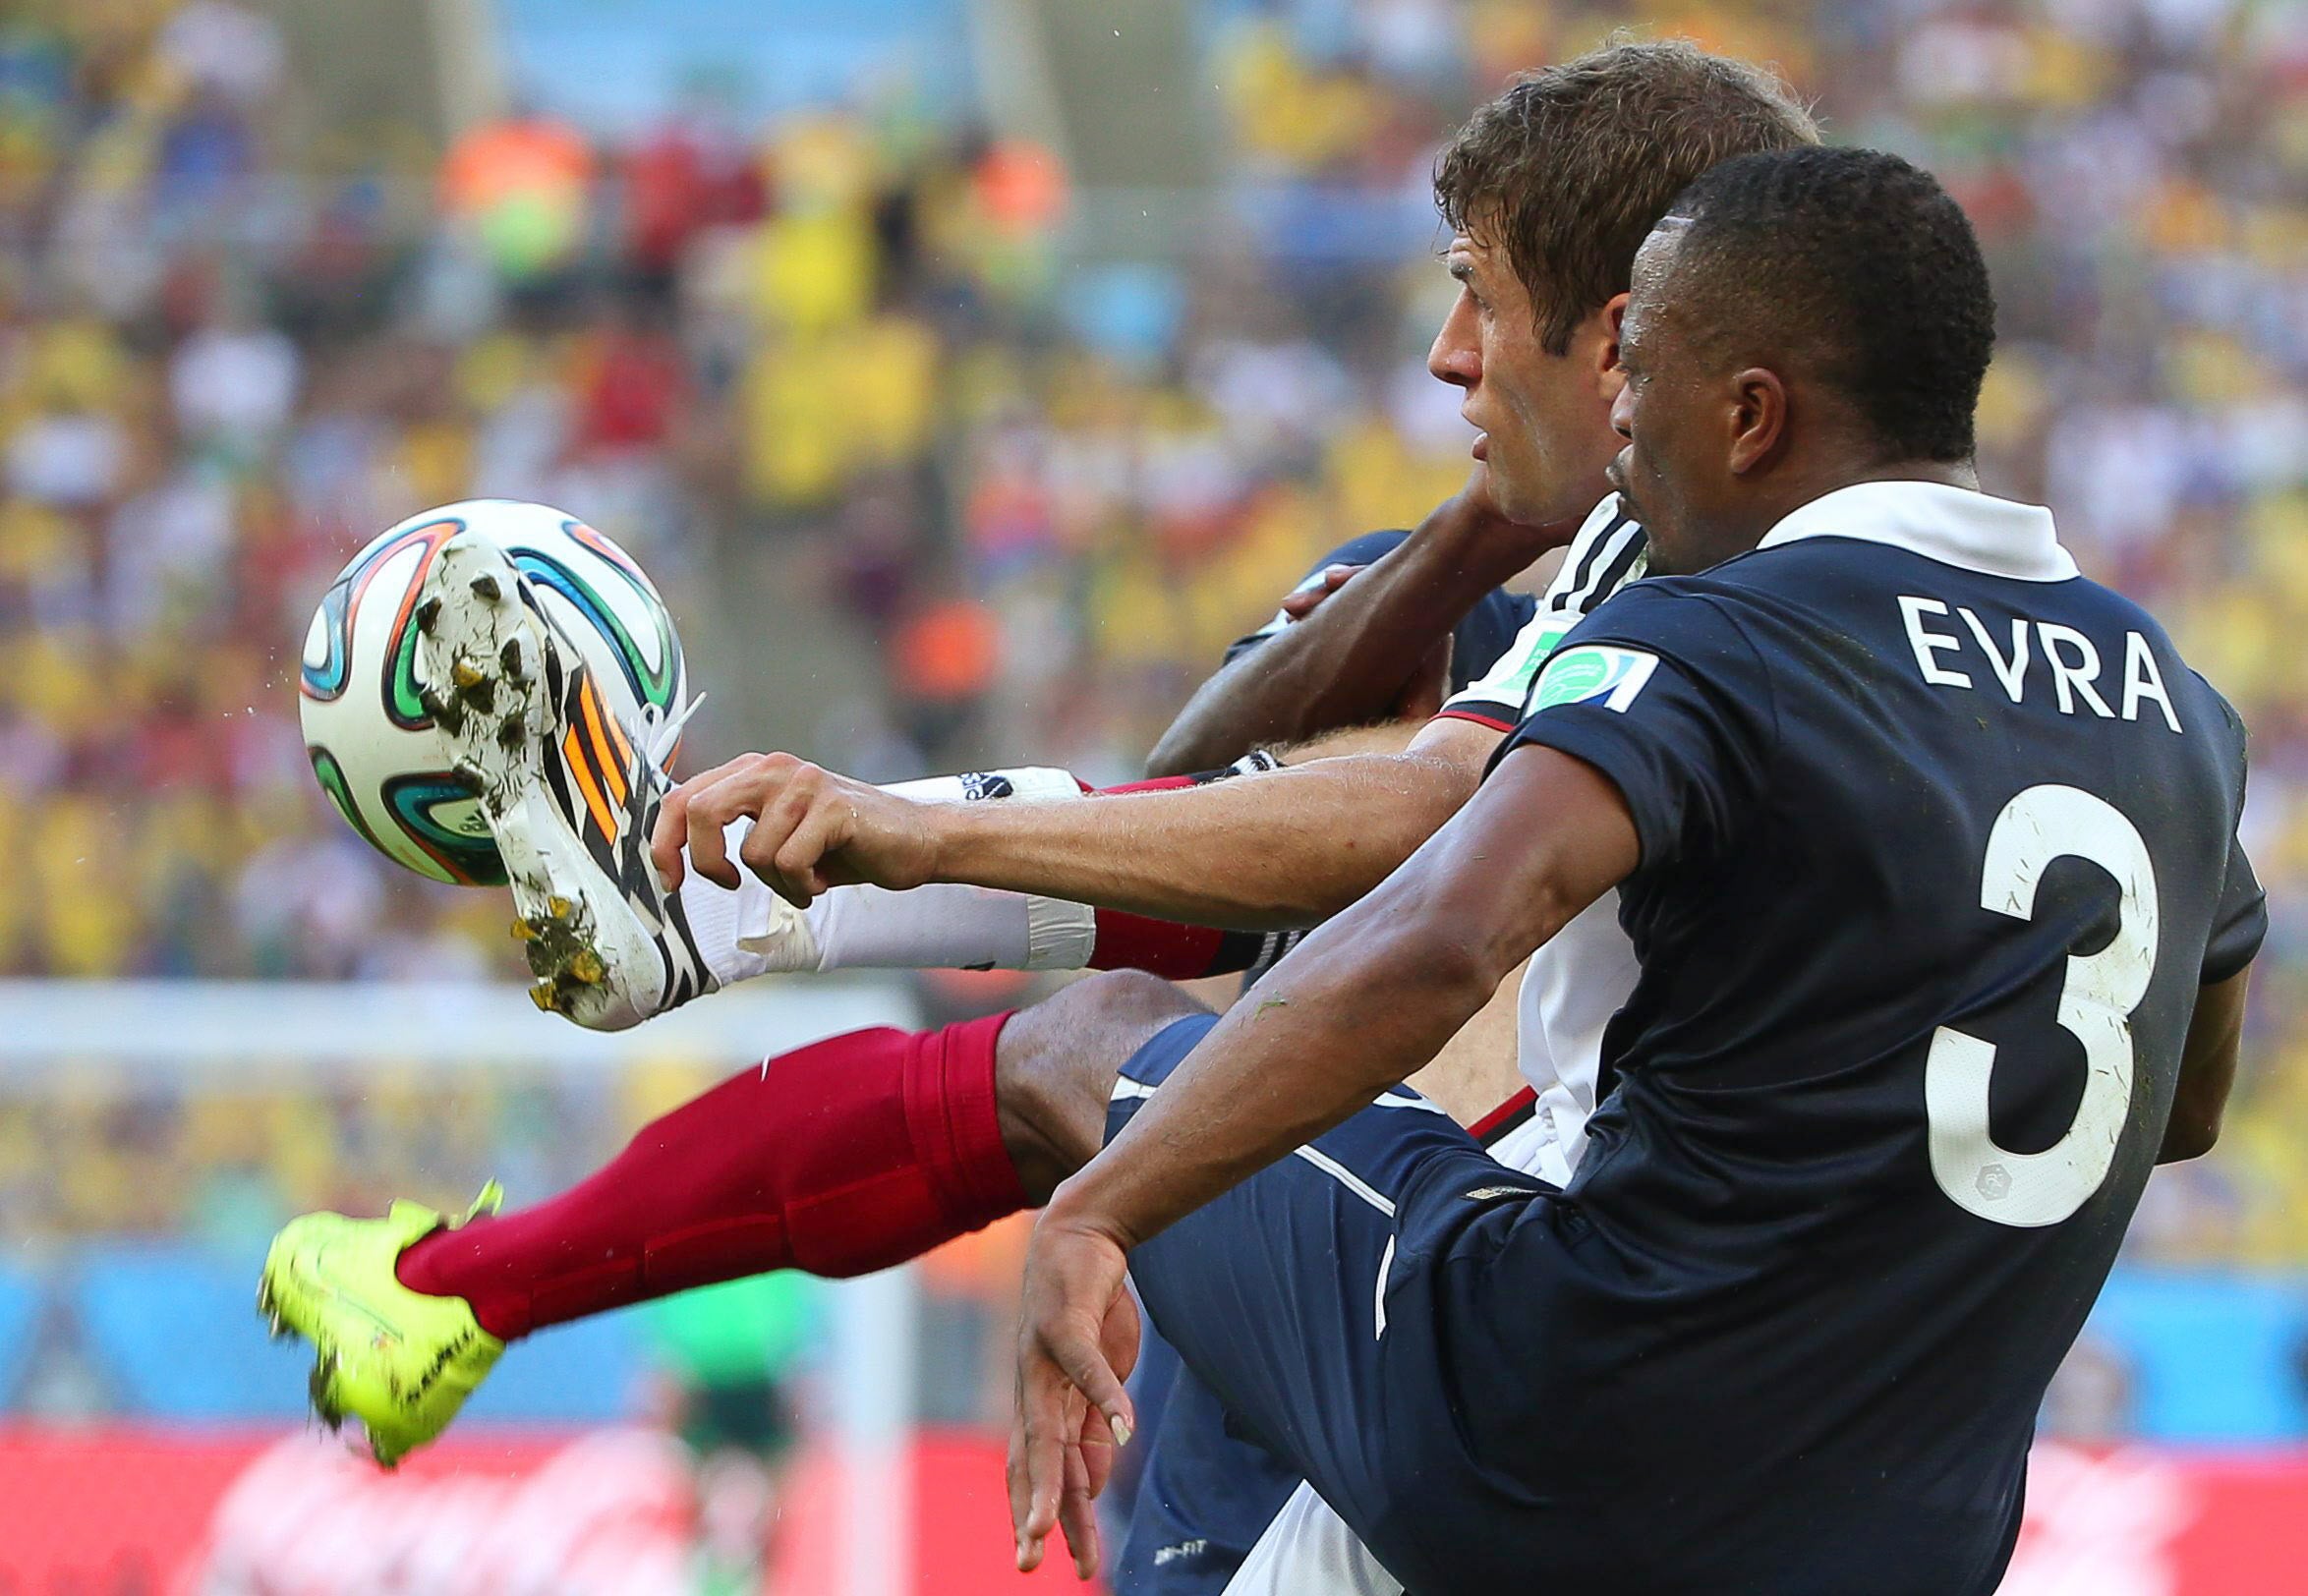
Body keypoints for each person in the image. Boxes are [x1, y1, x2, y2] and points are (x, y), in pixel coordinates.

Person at [256, 39, 1818, 1587]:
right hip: (1629, 1370)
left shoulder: (1685, 614)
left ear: (1628, 342)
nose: (1446, 355)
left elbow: (1398, 827)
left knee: (1100, 1043)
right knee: (1154, 996)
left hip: (1513, 1336)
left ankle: (670, 988)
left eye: (1480, 292)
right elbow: (1207, 789)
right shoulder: (1822, 599)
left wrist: (892, 843)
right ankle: (627, 1052)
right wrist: (1482, 529)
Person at [996, 146, 2264, 1593]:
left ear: (1748, 415)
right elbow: (2184, 1106)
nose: (1616, 423)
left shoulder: (1717, 636)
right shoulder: (2178, 710)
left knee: (1085, 1043)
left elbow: (1440, 936)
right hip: (1901, 1542)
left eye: (1639, 367)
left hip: (1549, 1431)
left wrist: (1100, 1208)